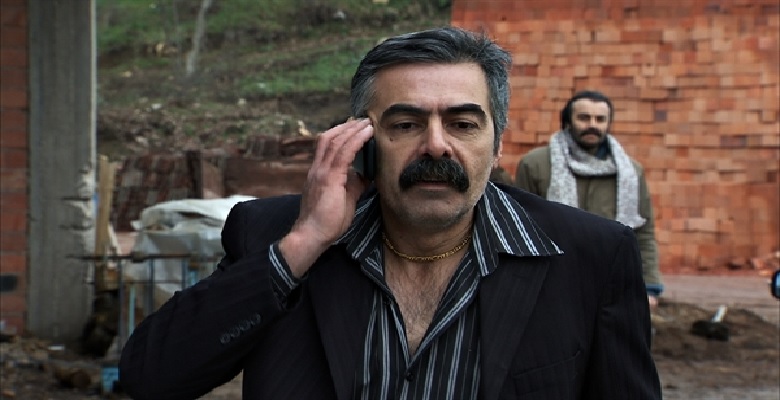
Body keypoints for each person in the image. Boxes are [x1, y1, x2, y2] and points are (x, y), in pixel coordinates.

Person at [119, 27, 661, 399]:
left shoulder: (589, 256)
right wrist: (304, 242)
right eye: (405, 124)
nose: (436, 145)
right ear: (360, 141)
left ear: (497, 145)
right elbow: (150, 378)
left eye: (463, 124)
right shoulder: (273, 236)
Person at [514, 90, 664, 310]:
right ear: (567, 121)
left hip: (611, 280)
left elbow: (643, 231)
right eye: (584, 118)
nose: (592, 125)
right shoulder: (536, 164)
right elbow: (519, 227)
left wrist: (649, 286)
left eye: (600, 119)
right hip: (551, 280)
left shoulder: (631, 172)